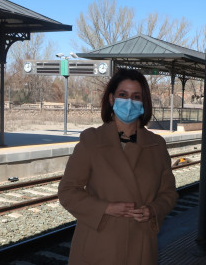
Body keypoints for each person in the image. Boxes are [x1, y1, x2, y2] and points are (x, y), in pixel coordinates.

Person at [58, 68, 178, 264]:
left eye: (136, 96)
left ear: (143, 102)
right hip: (99, 245)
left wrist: (153, 210)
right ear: (112, 99)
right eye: (123, 95)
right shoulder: (91, 141)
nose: (129, 102)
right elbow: (67, 191)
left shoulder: (156, 145)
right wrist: (105, 208)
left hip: (140, 248)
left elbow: (169, 193)